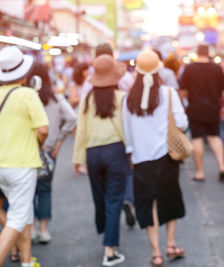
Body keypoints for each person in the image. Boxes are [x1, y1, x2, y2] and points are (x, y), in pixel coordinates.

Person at [122, 50, 187, 267]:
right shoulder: (168, 93)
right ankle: (171, 244)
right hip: (166, 155)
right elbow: (182, 123)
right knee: (169, 199)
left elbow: (127, 132)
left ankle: (156, 253)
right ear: (159, 69)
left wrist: (133, 150)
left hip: (141, 159)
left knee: (148, 204)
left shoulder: (128, 98)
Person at [72, 55, 129, 266]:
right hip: (115, 151)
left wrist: (77, 159)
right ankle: (109, 250)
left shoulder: (87, 100)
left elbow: (81, 132)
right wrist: (130, 154)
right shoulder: (121, 97)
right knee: (114, 199)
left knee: (100, 198)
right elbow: (126, 129)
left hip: (93, 153)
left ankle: (106, 235)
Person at [0, 46, 49, 267]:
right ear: (24, 73)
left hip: (2, 165)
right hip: (22, 164)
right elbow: (43, 130)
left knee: (23, 214)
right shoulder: (27, 94)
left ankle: (28, 261)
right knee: (18, 218)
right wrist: (39, 144)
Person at [81, 43, 136, 227]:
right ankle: (126, 199)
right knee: (124, 175)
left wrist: (78, 157)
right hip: (118, 141)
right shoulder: (126, 80)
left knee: (102, 190)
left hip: (94, 144)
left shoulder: (88, 86)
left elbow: (81, 122)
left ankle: (105, 225)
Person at [25, 63, 77, 244]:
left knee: (28, 191)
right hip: (49, 151)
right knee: (45, 190)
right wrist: (59, 140)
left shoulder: (25, 97)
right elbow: (71, 118)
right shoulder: (55, 98)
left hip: (26, 151)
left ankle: (30, 229)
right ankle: (43, 230)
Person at [179, 44, 224, 182]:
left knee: (197, 139)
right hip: (213, 108)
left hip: (195, 108)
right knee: (214, 137)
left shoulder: (189, 69)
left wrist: (181, 107)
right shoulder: (216, 69)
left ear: (197, 53)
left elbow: (183, 92)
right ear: (208, 53)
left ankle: (200, 172)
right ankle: (221, 166)